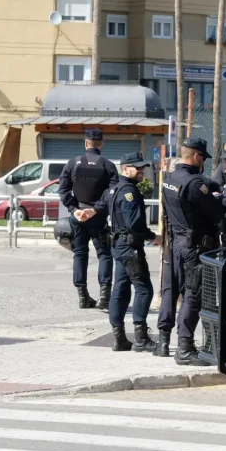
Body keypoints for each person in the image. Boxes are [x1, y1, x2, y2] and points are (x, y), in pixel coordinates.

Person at [157, 137, 223, 365]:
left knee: (173, 290)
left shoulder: (170, 179)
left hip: (175, 244)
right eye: (203, 157)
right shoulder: (195, 185)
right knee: (193, 296)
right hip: (193, 247)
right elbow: (217, 212)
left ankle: (166, 342)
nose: (203, 161)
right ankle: (185, 348)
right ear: (195, 156)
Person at [88, 152, 161, 352]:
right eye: (137, 167)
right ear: (125, 168)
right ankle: (141, 338)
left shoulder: (113, 189)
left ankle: (119, 338)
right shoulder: (129, 192)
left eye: (143, 167)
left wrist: (90, 211)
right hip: (129, 247)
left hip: (118, 246)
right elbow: (135, 224)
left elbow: (101, 205)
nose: (141, 170)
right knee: (144, 289)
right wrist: (153, 237)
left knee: (120, 290)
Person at [58, 128, 117, 310]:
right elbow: (112, 193)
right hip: (98, 217)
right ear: (102, 143)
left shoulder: (73, 163)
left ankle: (83, 297)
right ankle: (104, 296)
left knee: (80, 254)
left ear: (86, 143)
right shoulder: (108, 166)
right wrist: (96, 209)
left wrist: (74, 209)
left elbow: (63, 190)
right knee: (104, 254)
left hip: (78, 216)